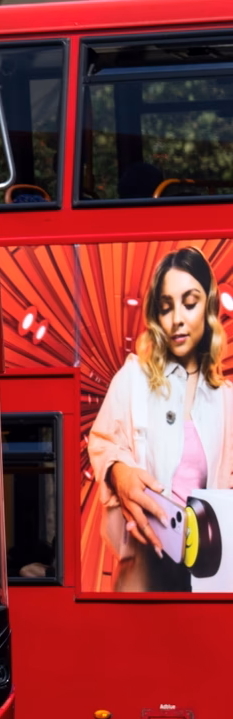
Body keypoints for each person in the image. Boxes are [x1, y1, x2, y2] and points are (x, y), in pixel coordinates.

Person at [90, 247, 233, 590]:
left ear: (209, 306)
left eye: (190, 302)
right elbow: (102, 445)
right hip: (144, 576)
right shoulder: (132, 378)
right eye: (166, 307)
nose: (177, 320)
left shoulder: (226, 397)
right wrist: (119, 473)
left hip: (207, 577)